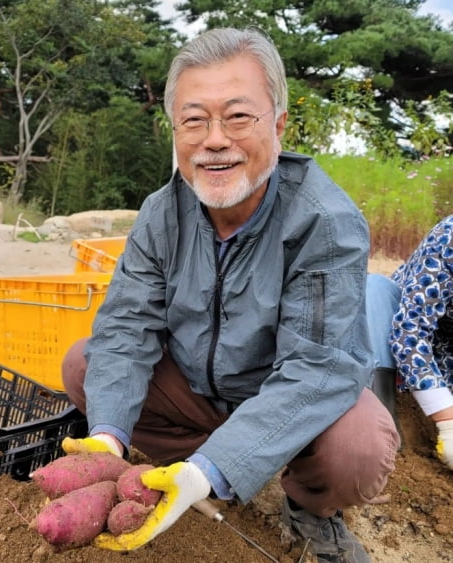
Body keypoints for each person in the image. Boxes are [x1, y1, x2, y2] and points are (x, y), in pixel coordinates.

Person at [61, 27, 400, 562]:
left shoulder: (324, 222)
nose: (214, 139)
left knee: (357, 448)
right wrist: (106, 441)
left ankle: (305, 505)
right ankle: (202, 467)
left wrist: (214, 468)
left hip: (284, 399)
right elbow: (127, 327)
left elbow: (316, 369)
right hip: (196, 394)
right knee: (87, 364)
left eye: (238, 117)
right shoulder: (161, 214)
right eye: (194, 120)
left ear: (280, 124)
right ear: (175, 130)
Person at [376, 215, 453, 469]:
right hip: (406, 346)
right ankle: (385, 436)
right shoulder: (449, 238)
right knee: (374, 290)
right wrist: (448, 422)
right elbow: (410, 330)